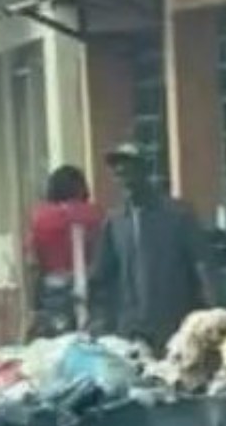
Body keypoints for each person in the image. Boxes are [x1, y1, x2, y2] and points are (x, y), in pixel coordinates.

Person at [89, 142, 214, 353]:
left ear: (144, 170)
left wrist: (211, 312)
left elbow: (201, 265)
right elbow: (101, 276)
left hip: (174, 326)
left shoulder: (177, 214)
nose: (122, 174)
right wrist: (100, 322)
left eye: (128, 167)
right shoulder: (116, 221)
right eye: (117, 170)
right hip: (130, 329)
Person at [26, 165, 103, 336]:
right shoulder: (96, 215)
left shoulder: (41, 217)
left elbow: (33, 264)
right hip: (92, 292)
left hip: (54, 293)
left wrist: (33, 305)